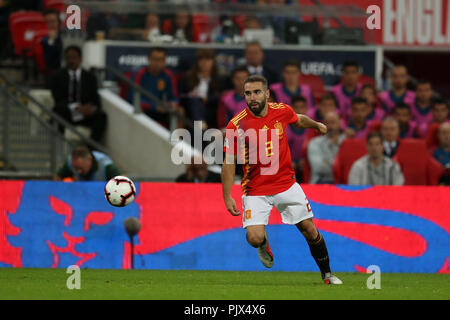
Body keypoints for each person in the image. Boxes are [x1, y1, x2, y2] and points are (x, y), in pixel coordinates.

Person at [221, 75, 342, 285]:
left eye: (257, 92)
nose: (252, 97)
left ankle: (327, 275)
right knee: (254, 238)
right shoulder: (236, 125)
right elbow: (229, 162)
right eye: (248, 93)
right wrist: (227, 196)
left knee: (310, 231)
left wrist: (316, 125)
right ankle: (263, 243)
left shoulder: (281, 111)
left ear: (267, 94)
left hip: (286, 184)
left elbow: (299, 118)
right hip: (255, 190)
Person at [50, 46, 107, 142]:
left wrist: (89, 108)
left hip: (84, 114)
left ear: (80, 59)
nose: (71, 61)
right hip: (67, 112)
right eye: (68, 58)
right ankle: (59, 145)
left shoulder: (90, 77)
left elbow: (96, 101)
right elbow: (57, 99)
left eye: (74, 57)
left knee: (101, 116)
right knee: (57, 111)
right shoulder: (58, 76)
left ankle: (91, 149)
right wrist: (75, 107)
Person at [129, 47, 181, 128]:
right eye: (155, 59)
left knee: (180, 111)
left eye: (161, 59)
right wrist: (154, 106)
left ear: (164, 61)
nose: (157, 63)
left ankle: (177, 139)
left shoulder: (168, 75)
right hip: (146, 108)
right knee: (139, 109)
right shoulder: (139, 73)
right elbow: (133, 98)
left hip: (162, 109)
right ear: (149, 59)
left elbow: (174, 97)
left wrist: (172, 104)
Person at [179, 48, 221, 130]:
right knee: (195, 100)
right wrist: (189, 95)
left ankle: (200, 123)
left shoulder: (219, 79)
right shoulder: (188, 77)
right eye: (201, 59)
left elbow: (221, 96)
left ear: (213, 62)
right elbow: (180, 96)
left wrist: (206, 99)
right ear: (197, 62)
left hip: (210, 109)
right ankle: (200, 122)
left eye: (208, 59)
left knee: (198, 100)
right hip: (191, 110)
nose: (204, 63)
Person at [307, 111, 347, 184]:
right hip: (320, 182)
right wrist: (339, 166)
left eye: (333, 122)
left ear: (340, 124)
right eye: (327, 123)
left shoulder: (347, 142)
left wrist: (328, 162)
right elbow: (318, 168)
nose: (330, 126)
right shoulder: (314, 143)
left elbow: (349, 168)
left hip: (344, 183)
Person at [55, 144, 120, 181]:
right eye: (76, 168)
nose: (78, 172)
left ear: (89, 160)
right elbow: (57, 177)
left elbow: (121, 183)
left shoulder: (106, 166)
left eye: (81, 168)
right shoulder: (70, 163)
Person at [286, 96, 308, 182]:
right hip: (289, 164)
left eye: (302, 107)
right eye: (296, 107)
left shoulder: (311, 128)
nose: (299, 110)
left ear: (306, 109)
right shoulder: (285, 127)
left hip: (305, 163)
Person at [41, 9, 63, 80]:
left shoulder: (66, 36)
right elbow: (50, 62)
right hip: (56, 74)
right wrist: (51, 41)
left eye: (53, 22)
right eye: (47, 22)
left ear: (59, 23)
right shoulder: (45, 40)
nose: (50, 25)